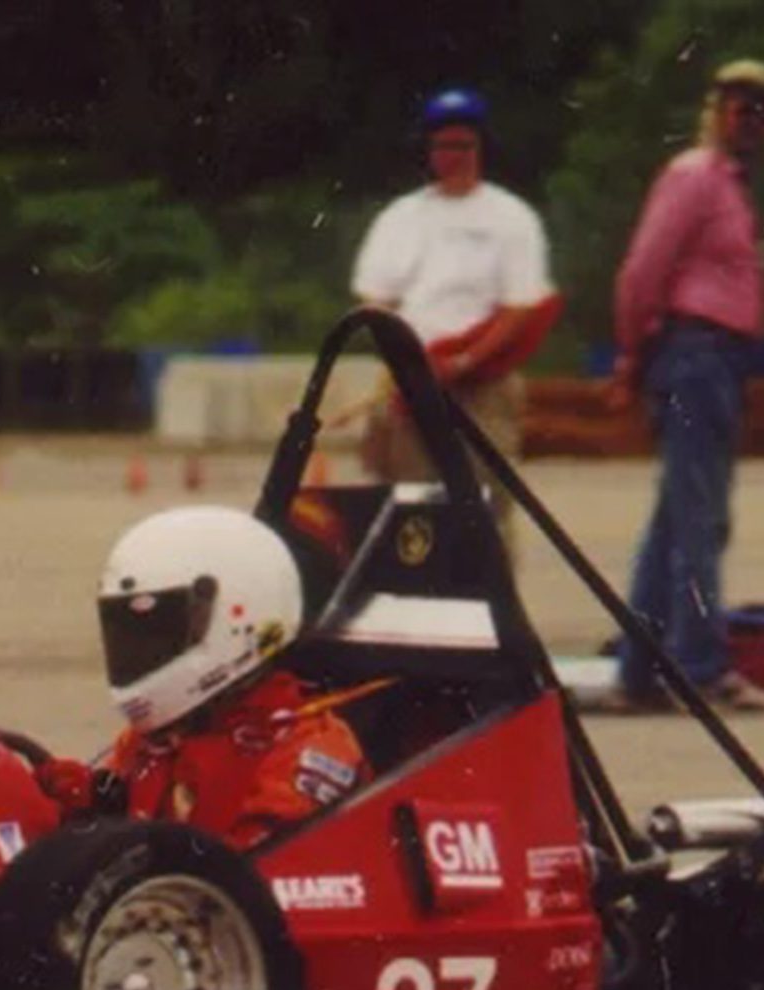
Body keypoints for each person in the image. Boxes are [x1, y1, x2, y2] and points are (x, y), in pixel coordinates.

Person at [606, 59, 764, 711]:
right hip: (694, 352)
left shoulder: (730, 189)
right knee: (700, 517)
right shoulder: (695, 177)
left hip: (715, 358)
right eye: (735, 105)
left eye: (759, 109)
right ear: (713, 110)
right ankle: (701, 666)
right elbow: (641, 271)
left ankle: (639, 668)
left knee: (676, 518)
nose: (746, 118)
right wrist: (632, 355)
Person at [87, 505, 368, 851]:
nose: (144, 649)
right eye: (135, 636)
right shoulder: (159, 737)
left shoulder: (309, 749)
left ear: (241, 617)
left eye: (162, 634)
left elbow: (251, 878)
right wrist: (75, 799)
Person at [351, 86, 559, 539]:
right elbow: (376, 301)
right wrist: (409, 364)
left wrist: (464, 361)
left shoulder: (510, 218)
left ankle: (494, 610)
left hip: (482, 387)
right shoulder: (401, 218)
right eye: (444, 144)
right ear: (429, 150)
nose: (454, 154)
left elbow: (521, 307)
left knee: (485, 514)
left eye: (464, 143)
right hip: (414, 385)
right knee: (412, 517)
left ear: (480, 147)